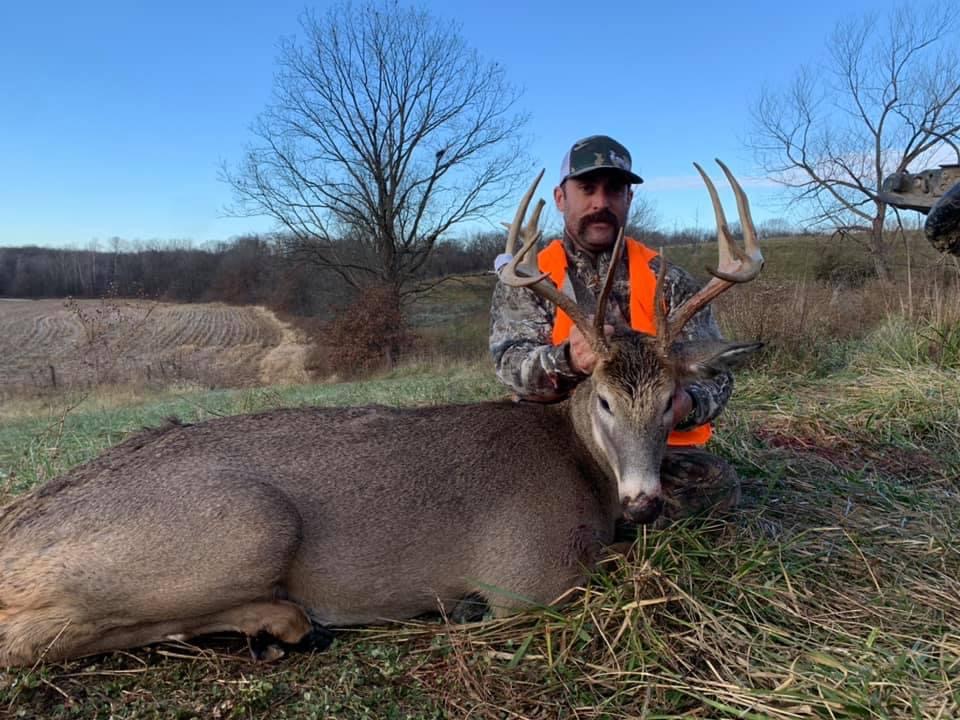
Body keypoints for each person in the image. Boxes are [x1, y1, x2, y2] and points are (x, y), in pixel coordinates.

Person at [489, 135, 741, 529]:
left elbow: (718, 376)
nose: (600, 203)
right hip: (556, 446)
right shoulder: (529, 279)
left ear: (629, 199)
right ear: (560, 198)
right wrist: (566, 359)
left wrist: (683, 403)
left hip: (652, 450)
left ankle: (570, 526)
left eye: (615, 190)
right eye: (587, 189)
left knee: (715, 485)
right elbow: (509, 365)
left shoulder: (669, 279)